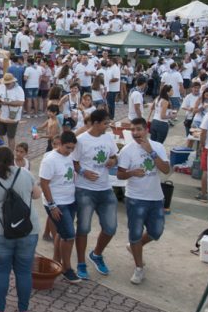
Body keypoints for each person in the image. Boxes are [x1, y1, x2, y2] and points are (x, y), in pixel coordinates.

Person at [0, 145, 42, 312]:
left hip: (0, 231)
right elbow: (37, 195)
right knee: (23, 272)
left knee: (1, 271)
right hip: (27, 230)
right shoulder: (25, 173)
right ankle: (23, 310)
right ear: (12, 159)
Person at [117, 117, 171, 285]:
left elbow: (166, 170)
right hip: (135, 198)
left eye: (139, 129)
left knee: (156, 232)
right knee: (134, 234)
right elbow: (120, 174)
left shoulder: (158, 146)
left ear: (146, 130)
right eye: (132, 130)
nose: (135, 133)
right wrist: (132, 173)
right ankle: (139, 268)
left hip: (156, 198)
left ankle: (135, 246)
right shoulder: (127, 150)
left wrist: (151, 152)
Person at [70, 108, 119, 280]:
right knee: (83, 228)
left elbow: (114, 156)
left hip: (105, 188)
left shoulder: (108, 137)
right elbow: (74, 162)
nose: (108, 125)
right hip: (85, 190)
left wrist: (113, 160)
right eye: (105, 123)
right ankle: (81, 262)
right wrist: (83, 172)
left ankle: (96, 254)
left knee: (111, 227)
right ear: (96, 123)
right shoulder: (81, 140)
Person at [39, 131, 80, 283]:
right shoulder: (50, 160)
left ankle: (56, 260)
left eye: (72, 148)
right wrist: (52, 205)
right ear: (60, 144)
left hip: (70, 200)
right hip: (57, 203)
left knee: (62, 234)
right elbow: (44, 183)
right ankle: (67, 268)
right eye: (67, 148)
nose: (70, 151)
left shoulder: (69, 156)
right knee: (69, 235)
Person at [0, 73, 25, 149]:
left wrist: (6, 103)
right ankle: (1, 150)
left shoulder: (19, 89)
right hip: (1, 116)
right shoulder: (2, 86)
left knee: (11, 137)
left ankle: (10, 154)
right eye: (5, 83)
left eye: (8, 84)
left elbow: (21, 102)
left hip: (12, 118)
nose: (6, 85)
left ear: (13, 82)